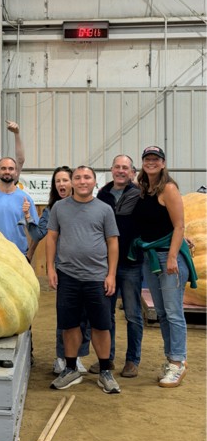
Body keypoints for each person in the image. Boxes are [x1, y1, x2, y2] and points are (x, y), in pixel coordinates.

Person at [46, 166, 121, 394]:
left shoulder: (104, 209)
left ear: (94, 182)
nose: (82, 181)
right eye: (77, 177)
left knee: (101, 325)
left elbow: (113, 242)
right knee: (69, 325)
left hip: (97, 277)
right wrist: (50, 268)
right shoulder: (59, 207)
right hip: (67, 276)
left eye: (87, 177)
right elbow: (51, 237)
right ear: (72, 182)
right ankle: (71, 369)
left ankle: (105, 372)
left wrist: (111, 274)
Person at [130, 146, 197, 388]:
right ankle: (172, 359)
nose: (151, 162)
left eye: (155, 159)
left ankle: (178, 362)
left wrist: (171, 257)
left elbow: (179, 226)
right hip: (151, 258)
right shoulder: (143, 189)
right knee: (162, 312)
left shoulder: (168, 188)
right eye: (147, 159)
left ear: (163, 163)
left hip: (168, 258)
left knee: (173, 312)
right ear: (142, 163)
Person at [23, 166, 90, 375]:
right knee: (66, 315)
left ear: (73, 183)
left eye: (65, 180)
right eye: (58, 181)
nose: (61, 184)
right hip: (65, 270)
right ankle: (62, 357)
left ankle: (77, 357)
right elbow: (39, 234)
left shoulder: (88, 206)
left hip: (88, 270)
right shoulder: (52, 209)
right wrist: (28, 217)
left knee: (84, 316)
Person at [88, 155, 142, 378]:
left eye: (125, 167)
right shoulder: (103, 195)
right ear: (111, 170)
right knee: (106, 314)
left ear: (132, 172)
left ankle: (132, 360)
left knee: (133, 314)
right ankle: (107, 358)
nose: (121, 170)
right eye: (117, 167)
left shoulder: (140, 194)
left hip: (131, 264)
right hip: (106, 265)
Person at [0, 157, 38, 255]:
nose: (7, 171)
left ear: (16, 172)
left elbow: (37, 233)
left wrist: (29, 256)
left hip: (19, 255)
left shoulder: (26, 199)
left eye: (11, 168)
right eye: (3, 168)